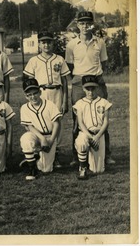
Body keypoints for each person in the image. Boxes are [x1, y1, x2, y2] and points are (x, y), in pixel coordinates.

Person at [65, 11, 115, 166]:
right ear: (77, 25)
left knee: (101, 116)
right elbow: (70, 65)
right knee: (77, 119)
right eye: (82, 23)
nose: (85, 26)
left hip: (97, 81)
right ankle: (76, 155)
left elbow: (104, 63)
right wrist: (81, 76)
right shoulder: (72, 44)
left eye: (87, 23)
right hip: (79, 82)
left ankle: (106, 154)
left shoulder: (99, 42)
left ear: (92, 25)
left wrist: (94, 76)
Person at [23, 31, 70, 168]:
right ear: (39, 44)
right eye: (43, 42)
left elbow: (65, 81)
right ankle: (38, 150)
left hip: (56, 92)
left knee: (57, 122)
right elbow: (28, 80)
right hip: (41, 92)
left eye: (49, 41)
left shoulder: (59, 59)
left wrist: (65, 99)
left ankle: (56, 154)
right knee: (41, 121)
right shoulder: (34, 60)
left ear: (53, 43)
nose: (46, 44)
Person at [19, 78, 61, 181]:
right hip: (36, 136)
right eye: (29, 95)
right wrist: (42, 139)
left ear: (40, 91)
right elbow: (29, 127)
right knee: (26, 138)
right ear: (25, 96)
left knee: (46, 169)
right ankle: (32, 168)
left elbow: (57, 124)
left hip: (50, 136)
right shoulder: (24, 107)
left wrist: (50, 140)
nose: (33, 97)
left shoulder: (50, 104)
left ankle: (33, 157)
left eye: (35, 93)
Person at [73, 75, 112, 180]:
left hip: (99, 135)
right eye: (87, 89)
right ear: (83, 88)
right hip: (86, 133)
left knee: (98, 170)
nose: (90, 92)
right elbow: (80, 123)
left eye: (93, 88)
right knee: (81, 142)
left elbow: (106, 122)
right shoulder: (80, 103)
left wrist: (97, 136)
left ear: (97, 88)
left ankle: (89, 159)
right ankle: (82, 167)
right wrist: (90, 136)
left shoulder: (104, 102)